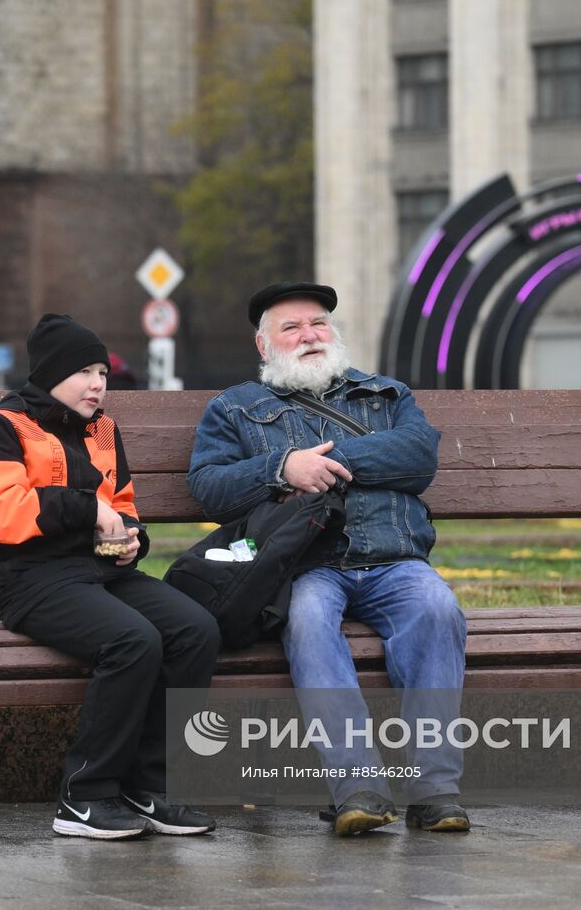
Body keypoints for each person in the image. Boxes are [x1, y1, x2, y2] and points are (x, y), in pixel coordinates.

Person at [186, 282, 469, 836]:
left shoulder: (386, 395)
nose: (309, 335)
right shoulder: (235, 408)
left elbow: (418, 456)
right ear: (264, 347)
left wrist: (323, 461)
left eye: (317, 323)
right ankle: (357, 787)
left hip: (395, 559)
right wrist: (280, 468)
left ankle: (435, 792)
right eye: (291, 328)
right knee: (308, 621)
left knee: (437, 608)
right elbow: (209, 487)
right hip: (307, 568)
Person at [0, 313, 221, 840]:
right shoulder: (2, 426)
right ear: (52, 373)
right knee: (133, 640)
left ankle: (150, 787)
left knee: (196, 629)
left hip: (100, 572)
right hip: (29, 580)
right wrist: (86, 511)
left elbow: (121, 505)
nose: (98, 384)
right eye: (84, 371)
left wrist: (130, 541)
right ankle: (85, 795)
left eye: (102, 372)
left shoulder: (102, 429)